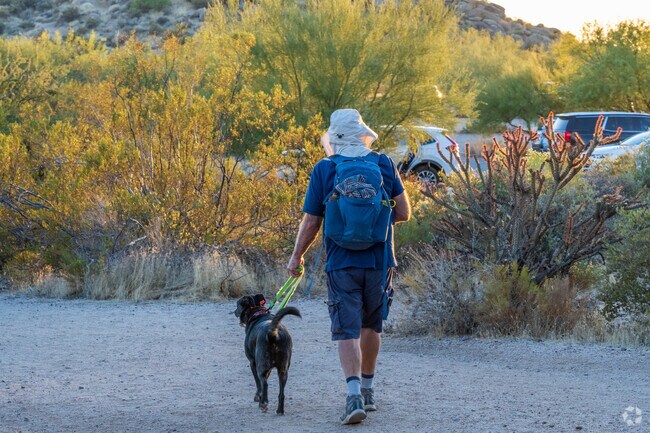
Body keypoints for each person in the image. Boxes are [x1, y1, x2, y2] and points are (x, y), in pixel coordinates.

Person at [287, 108, 411, 425]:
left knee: (346, 328)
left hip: (341, 262)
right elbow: (404, 213)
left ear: (335, 137)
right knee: (372, 325)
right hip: (381, 260)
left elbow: (312, 220)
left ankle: (353, 394)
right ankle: (368, 391)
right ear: (362, 133)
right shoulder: (383, 164)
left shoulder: (326, 169)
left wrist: (297, 256)